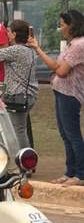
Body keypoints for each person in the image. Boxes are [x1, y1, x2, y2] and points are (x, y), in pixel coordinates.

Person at [29, 10, 84, 185]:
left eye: (62, 24)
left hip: (71, 94)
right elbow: (58, 67)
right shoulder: (71, 44)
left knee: (72, 134)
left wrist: (38, 49)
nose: (60, 28)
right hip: (62, 92)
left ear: (72, 25)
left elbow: (60, 70)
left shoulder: (79, 45)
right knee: (65, 134)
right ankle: (70, 171)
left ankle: (80, 174)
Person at [0, 20, 37, 148]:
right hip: (28, 95)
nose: (7, 34)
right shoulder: (29, 50)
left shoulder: (15, 50)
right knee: (20, 129)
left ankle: (25, 162)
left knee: (18, 131)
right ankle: (24, 158)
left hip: (16, 96)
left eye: (8, 32)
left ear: (13, 34)